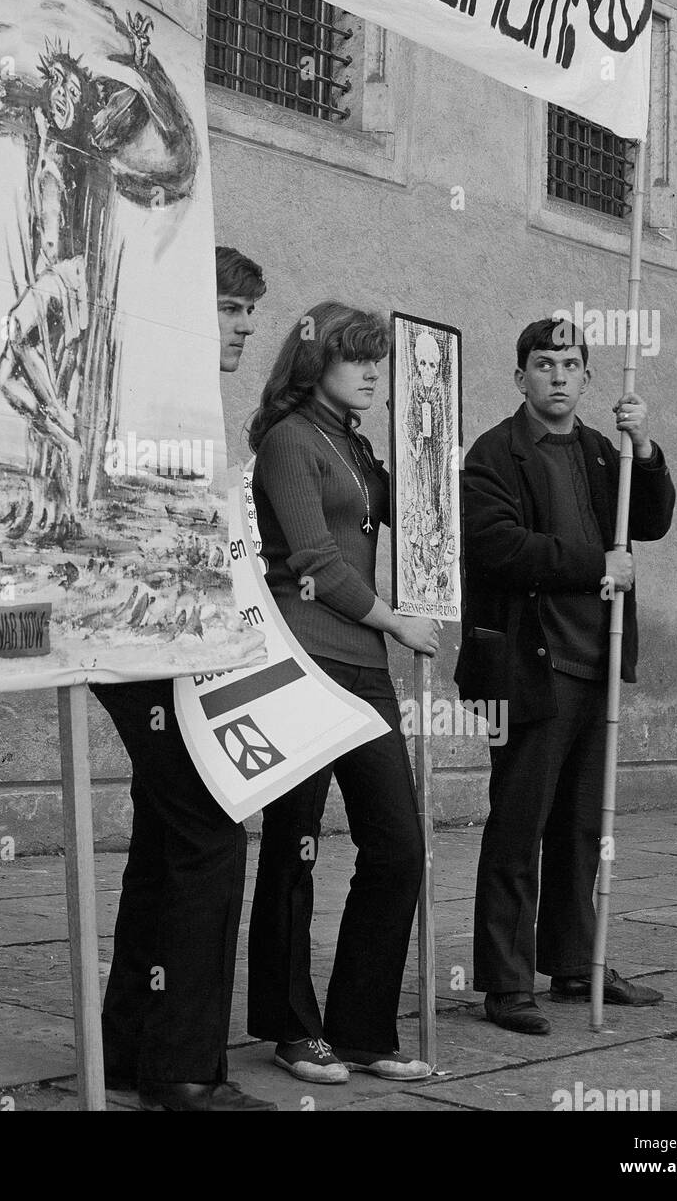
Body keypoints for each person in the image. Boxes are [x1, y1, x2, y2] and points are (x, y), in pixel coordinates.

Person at [90, 246, 273, 1111]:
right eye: (231, 307)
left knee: (168, 844)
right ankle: (185, 1071)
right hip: (141, 644)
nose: (245, 325)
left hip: (160, 644)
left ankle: (130, 1052)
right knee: (208, 836)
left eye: (249, 311)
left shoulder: (180, 395)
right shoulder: (155, 391)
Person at [456, 317, 676, 1035]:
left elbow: (650, 521)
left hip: (597, 667)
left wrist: (644, 450)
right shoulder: (493, 455)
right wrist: (593, 567)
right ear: (521, 377)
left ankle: (576, 964)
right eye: (544, 364)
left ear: (586, 379)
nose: (558, 375)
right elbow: (496, 547)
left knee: (583, 829)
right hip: (527, 668)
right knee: (519, 828)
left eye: (571, 364)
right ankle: (505, 982)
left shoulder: (601, 453)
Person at [246, 302, 440, 1086]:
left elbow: (420, 520)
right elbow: (317, 561)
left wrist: (425, 439)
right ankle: (292, 1029)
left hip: (361, 666)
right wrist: (398, 622)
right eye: (354, 358)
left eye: (376, 361)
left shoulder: (354, 447)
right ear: (313, 362)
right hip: (301, 657)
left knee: (397, 844)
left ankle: (362, 1028)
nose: (369, 371)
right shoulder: (289, 442)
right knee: (294, 846)